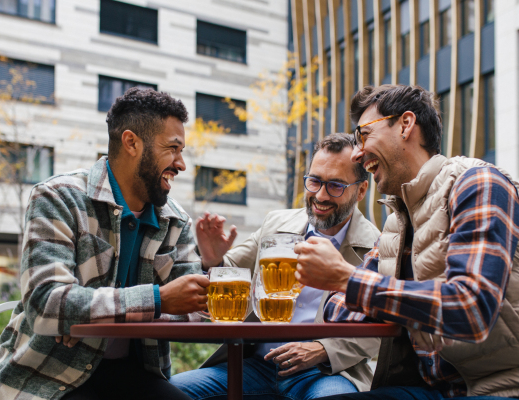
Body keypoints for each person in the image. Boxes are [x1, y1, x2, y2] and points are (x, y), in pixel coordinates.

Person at [294, 85, 519, 400]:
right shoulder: (397, 221)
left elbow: (470, 308)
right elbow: (337, 312)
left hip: (498, 387)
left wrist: (350, 280)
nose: (357, 153)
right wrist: (367, 291)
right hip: (434, 389)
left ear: (406, 124)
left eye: (363, 136)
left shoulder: (478, 184)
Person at [0, 88, 209, 400]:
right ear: (132, 142)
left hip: (132, 374)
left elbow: (193, 310)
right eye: (173, 149)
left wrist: (90, 317)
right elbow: (46, 304)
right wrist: (157, 300)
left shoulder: (175, 220)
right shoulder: (58, 197)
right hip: (48, 372)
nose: (181, 164)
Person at [171, 133, 382, 400]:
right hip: (256, 364)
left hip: (326, 372)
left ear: (361, 190)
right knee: (173, 391)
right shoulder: (275, 222)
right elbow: (232, 269)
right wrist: (213, 260)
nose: (320, 195)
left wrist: (322, 349)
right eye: (314, 181)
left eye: (336, 186)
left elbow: (379, 323)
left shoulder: (376, 245)